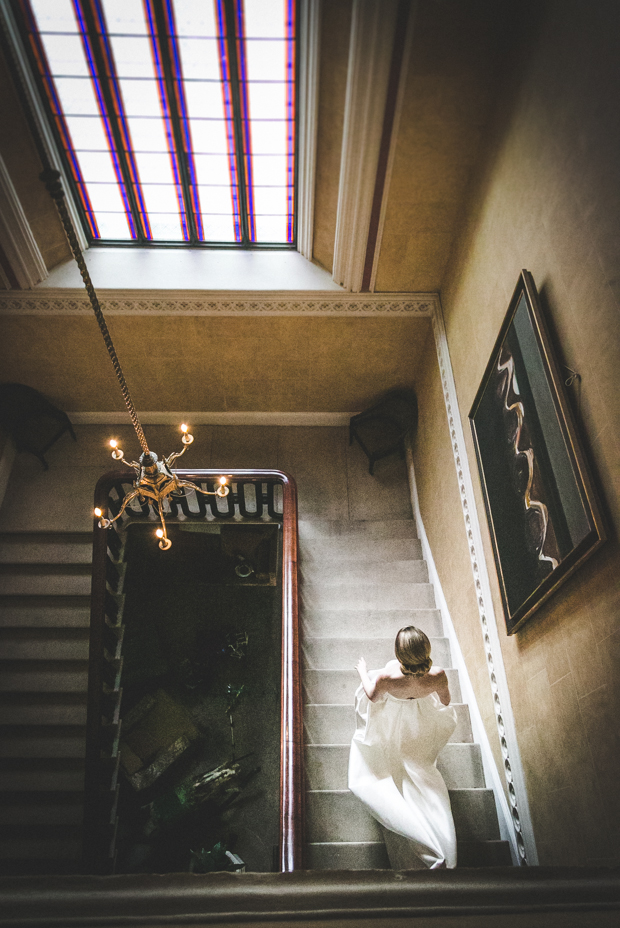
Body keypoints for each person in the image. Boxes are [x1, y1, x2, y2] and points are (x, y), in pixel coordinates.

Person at [348, 626, 458, 869]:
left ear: (400, 656)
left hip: (391, 719)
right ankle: (435, 842)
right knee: (418, 763)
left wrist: (363, 672)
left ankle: (421, 834)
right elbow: (446, 701)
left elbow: (372, 696)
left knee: (388, 763)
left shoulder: (386, 679)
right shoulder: (438, 675)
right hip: (416, 721)